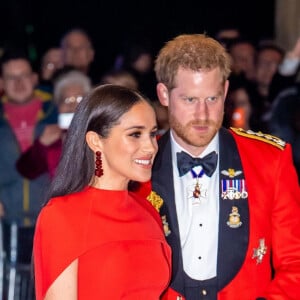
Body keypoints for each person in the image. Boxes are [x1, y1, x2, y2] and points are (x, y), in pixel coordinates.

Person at [151, 33, 300, 300]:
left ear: (226, 92)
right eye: (189, 100)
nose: (202, 115)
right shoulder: (136, 164)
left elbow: (295, 263)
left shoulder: (270, 160)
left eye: (212, 99)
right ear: (164, 94)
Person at [33, 84, 171, 300]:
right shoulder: (62, 215)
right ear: (95, 141)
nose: (151, 147)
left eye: (152, 134)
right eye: (135, 134)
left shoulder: (148, 210)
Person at [0, 50, 57, 225]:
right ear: (1, 82)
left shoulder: (56, 114)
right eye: (11, 77)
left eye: (23, 76)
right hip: (5, 223)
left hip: (50, 221)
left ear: (34, 78)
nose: (18, 83)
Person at [16, 70, 92, 179]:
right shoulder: (53, 137)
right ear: (58, 105)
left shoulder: (100, 134)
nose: (73, 105)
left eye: (79, 99)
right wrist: (42, 144)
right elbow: (26, 170)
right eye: (66, 100)